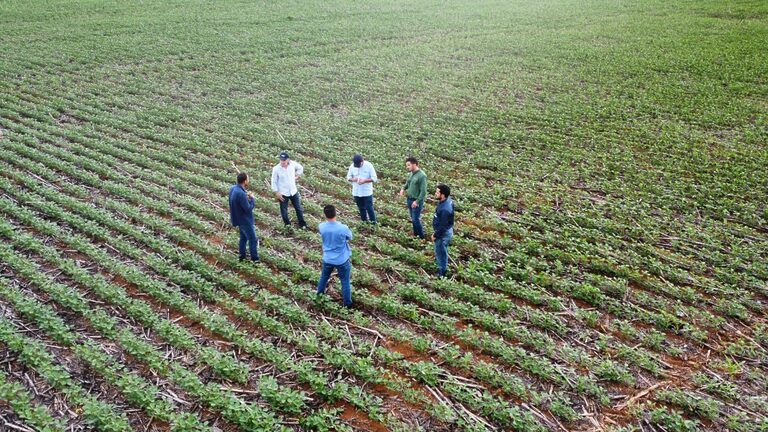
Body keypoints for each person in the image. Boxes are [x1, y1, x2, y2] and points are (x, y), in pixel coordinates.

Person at [316, 205, 354, 308]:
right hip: (341, 260)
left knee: (324, 277)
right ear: (335, 213)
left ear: (325, 215)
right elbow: (350, 237)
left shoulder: (321, 226)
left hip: (327, 258)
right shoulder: (343, 228)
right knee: (345, 281)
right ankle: (347, 304)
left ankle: (319, 295)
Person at [271, 151, 307, 230]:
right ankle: (288, 226)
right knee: (284, 211)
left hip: (293, 191)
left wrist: (297, 175)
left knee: (298, 208)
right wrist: (276, 192)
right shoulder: (276, 169)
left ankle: (302, 224)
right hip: (283, 193)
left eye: (284, 160)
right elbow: (273, 181)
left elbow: (301, 168)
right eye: (281, 160)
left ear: (288, 160)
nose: (282, 162)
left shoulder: (293, 164)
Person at [229, 172, 259, 263]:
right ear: (245, 181)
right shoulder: (241, 194)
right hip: (245, 220)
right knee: (253, 239)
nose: (248, 180)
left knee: (243, 238)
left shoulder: (233, 189)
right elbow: (248, 209)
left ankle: (242, 257)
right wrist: (252, 199)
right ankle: (255, 260)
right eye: (248, 179)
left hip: (238, 218)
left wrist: (246, 198)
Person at [398, 157, 427, 239]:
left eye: (408, 165)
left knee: (415, 219)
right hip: (409, 199)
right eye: (406, 165)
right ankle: (415, 235)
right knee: (413, 219)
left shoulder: (422, 176)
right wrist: (403, 189)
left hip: (416, 201)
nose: (407, 167)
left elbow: (423, 192)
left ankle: (421, 237)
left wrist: (417, 201)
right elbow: (408, 183)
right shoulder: (411, 174)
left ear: (414, 164)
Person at [346, 154, 378, 224]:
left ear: (362, 161)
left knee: (369, 208)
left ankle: (374, 224)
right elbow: (348, 177)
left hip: (367, 192)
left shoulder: (369, 166)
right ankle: (364, 223)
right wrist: (353, 179)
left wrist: (364, 181)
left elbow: (374, 178)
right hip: (356, 192)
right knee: (361, 208)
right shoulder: (352, 166)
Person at [432, 184, 455, 277]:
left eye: (437, 192)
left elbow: (443, 226)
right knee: (442, 251)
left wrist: (435, 235)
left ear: (443, 195)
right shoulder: (447, 201)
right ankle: (442, 266)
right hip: (445, 231)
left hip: (443, 234)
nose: (435, 193)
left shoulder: (445, 209)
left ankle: (442, 273)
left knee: (441, 253)